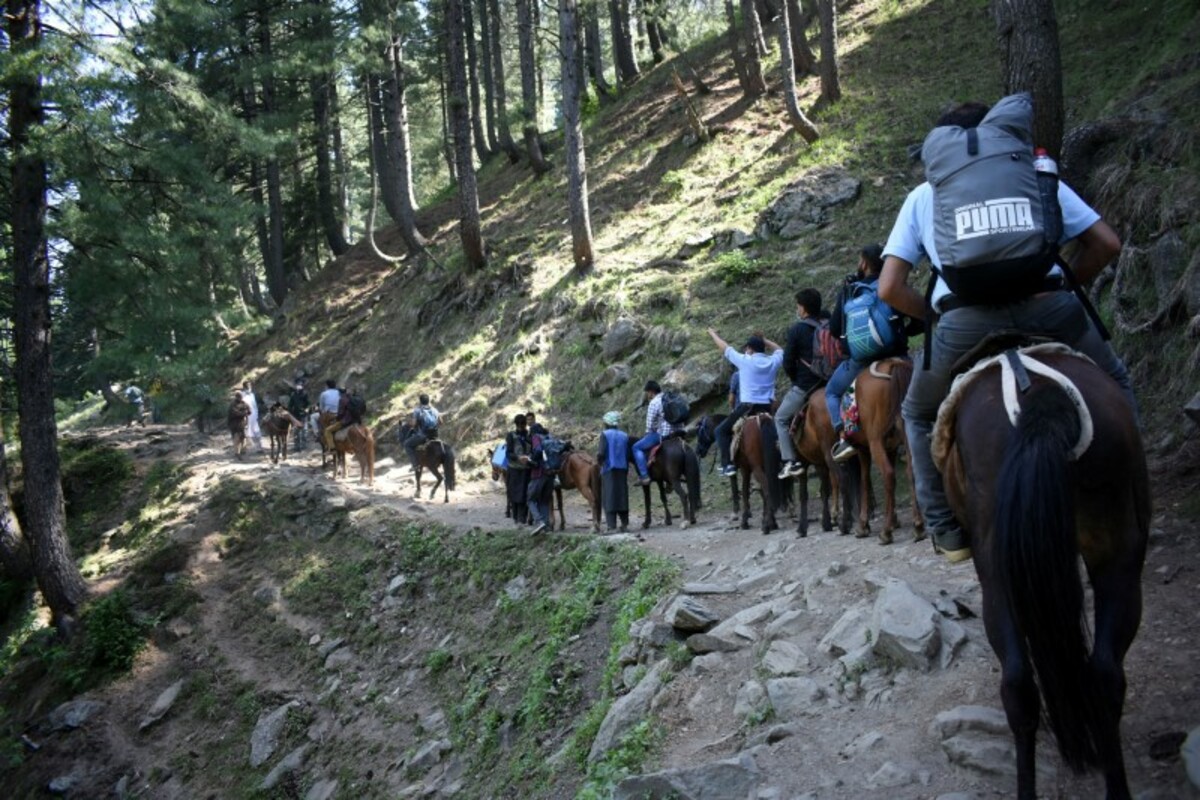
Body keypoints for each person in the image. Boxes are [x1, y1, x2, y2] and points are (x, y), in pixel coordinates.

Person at [878, 97, 1135, 564]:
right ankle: (1132, 491)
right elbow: (1107, 243)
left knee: (916, 413)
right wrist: (1064, 286)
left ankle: (946, 529)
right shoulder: (1033, 176)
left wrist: (936, 317)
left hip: (965, 322)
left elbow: (890, 288)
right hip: (1049, 308)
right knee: (1114, 379)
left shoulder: (924, 195)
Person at [826, 244, 921, 462]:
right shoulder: (893, 284)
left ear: (863, 263)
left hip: (861, 360)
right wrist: (899, 333)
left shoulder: (849, 291)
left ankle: (844, 437)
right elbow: (919, 320)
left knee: (832, 392)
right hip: (897, 353)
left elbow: (834, 329)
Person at [707, 329, 784, 478]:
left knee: (720, 431)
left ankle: (728, 465)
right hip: (769, 407)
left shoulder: (744, 360)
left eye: (747, 348)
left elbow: (725, 347)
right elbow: (779, 350)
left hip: (748, 408)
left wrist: (713, 334)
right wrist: (764, 340)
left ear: (750, 349)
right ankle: (788, 460)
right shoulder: (773, 361)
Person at [775, 289, 831, 478]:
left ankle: (790, 461)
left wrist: (796, 380)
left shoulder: (797, 329)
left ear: (804, 308)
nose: (797, 309)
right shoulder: (828, 326)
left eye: (798, 306)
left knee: (780, 418)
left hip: (806, 385)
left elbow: (788, 362)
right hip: (830, 382)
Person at [632, 381, 685, 486]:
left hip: (665, 434)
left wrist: (648, 433)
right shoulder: (670, 397)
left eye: (647, 392)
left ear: (651, 392)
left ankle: (644, 476)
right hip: (680, 430)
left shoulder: (654, 402)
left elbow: (650, 427)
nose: (647, 395)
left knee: (636, 447)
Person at [596, 411, 631, 533]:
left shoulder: (605, 434)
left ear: (607, 423)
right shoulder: (625, 435)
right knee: (622, 495)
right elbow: (628, 454)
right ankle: (624, 524)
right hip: (622, 469)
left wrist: (600, 463)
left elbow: (601, 453)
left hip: (609, 469)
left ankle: (611, 526)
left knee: (609, 496)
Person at [505, 415, 533, 526]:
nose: (521, 427)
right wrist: (518, 458)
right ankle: (516, 517)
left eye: (523, 424)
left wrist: (529, 458)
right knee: (513, 493)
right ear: (516, 425)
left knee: (524, 494)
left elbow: (534, 450)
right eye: (519, 425)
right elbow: (508, 453)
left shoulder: (530, 436)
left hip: (526, 469)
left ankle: (522, 518)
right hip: (514, 469)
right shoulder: (511, 436)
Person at [404, 394, 441, 472]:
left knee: (407, 444)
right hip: (435, 434)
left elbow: (414, 424)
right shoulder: (434, 410)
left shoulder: (417, 410)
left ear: (420, 402)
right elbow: (441, 422)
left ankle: (415, 465)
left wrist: (409, 423)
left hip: (423, 435)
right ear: (428, 401)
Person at [240, 381, 263, 452]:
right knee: (246, 432)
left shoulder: (252, 395)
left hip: (254, 416)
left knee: (256, 431)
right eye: (247, 386)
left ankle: (259, 448)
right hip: (246, 416)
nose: (249, 388)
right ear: (244, 387)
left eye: (250, 386)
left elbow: (254, 405)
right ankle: (243, 449)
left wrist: (257, 414)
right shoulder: (241, 395)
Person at [288, 379, 311, 450]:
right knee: (296, 431)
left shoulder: (305, 394)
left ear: (302, 386)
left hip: (303, 414)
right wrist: (290, 413)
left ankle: (304, 445)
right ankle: (296, 446)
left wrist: (307, 409)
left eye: (300, 385)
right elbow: (290, 405)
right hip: (295, 415)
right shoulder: (293, 395)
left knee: (304, 430)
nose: (298, 387)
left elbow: (308, 404)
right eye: (297, 385)